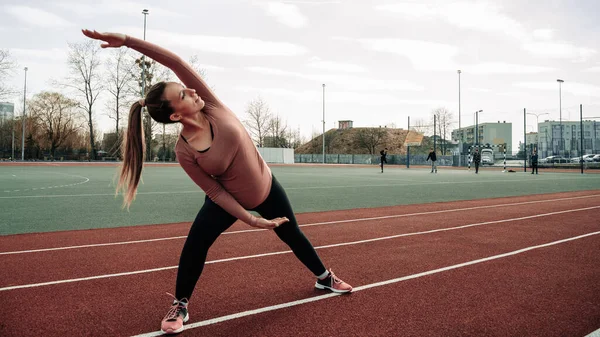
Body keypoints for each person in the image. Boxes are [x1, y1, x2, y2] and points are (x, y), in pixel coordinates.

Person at [82, 29, 352, 335]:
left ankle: (323, 277)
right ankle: (180, 305)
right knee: (196, 244)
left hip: (267, 187)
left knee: (292, 234)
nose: (192, 91)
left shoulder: (211, 105)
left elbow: (175, 62)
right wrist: (251, 220)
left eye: (187, 88)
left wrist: (129, 42)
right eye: (183, 94)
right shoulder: (184, 151)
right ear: (174, 116)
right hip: (227, 201)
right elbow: (213, 189)